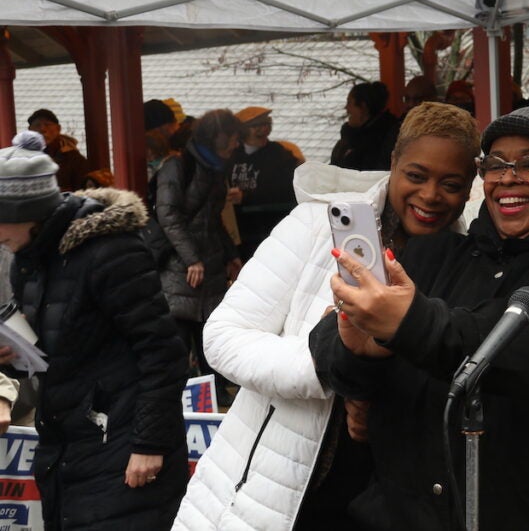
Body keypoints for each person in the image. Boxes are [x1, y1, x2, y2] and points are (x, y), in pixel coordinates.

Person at [310, 106, 529, 530]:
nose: (508, 177)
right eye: (495, 164)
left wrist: (406, 324)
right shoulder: (432, 253)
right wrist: (359, 351)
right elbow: (332, 346)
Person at [174, 102, 481, 530]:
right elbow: (223, 337)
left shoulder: (471, 261)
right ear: (392, 163)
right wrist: (329, 364)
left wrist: (379, 405)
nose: (430, 195)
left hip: (391, 495)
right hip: (273, 490)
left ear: (470, 187)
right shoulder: (317, 224)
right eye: (415, 175)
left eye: (450, 183)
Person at [1, 131, 188, 530]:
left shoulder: (111, 248)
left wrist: (149, 444)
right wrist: (16, 356)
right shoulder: (27, 258)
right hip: (66, 444)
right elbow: (58, 351)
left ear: (27, 211)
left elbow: (162, 351)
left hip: (123, 443)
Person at [153, 109, 243, 406]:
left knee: (212, 339)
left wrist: (231, 255)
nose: (235, 144)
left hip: (210, 266)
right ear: (216, 136)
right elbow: (168, 215)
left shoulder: (216, 168)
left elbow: (213, 217)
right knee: (179, 344)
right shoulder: (178, 166)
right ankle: (182, 407)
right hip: (181, 269)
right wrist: (192, 258)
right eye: (231, 138)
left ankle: (213, 401)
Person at [227, 106, 300, 261]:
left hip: (269, 232)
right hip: (239, 235)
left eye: (266, 124)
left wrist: (246, 197)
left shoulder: (279, 154)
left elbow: (286, 190)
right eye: (256, 126)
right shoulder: (231, 155)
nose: (263, 129)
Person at [330, 81, 401, 171]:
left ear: (363, 107)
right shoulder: (350, 137)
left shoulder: (384, 139)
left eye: (349, 103)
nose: (346, 108)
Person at [27, 109, 90, 191]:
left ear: (58, 129)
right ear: (29, 130)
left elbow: (83, 191)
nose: (43, 129)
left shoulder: (74, 158)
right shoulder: (22, 157)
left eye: (48, 124)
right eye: (37, 125)